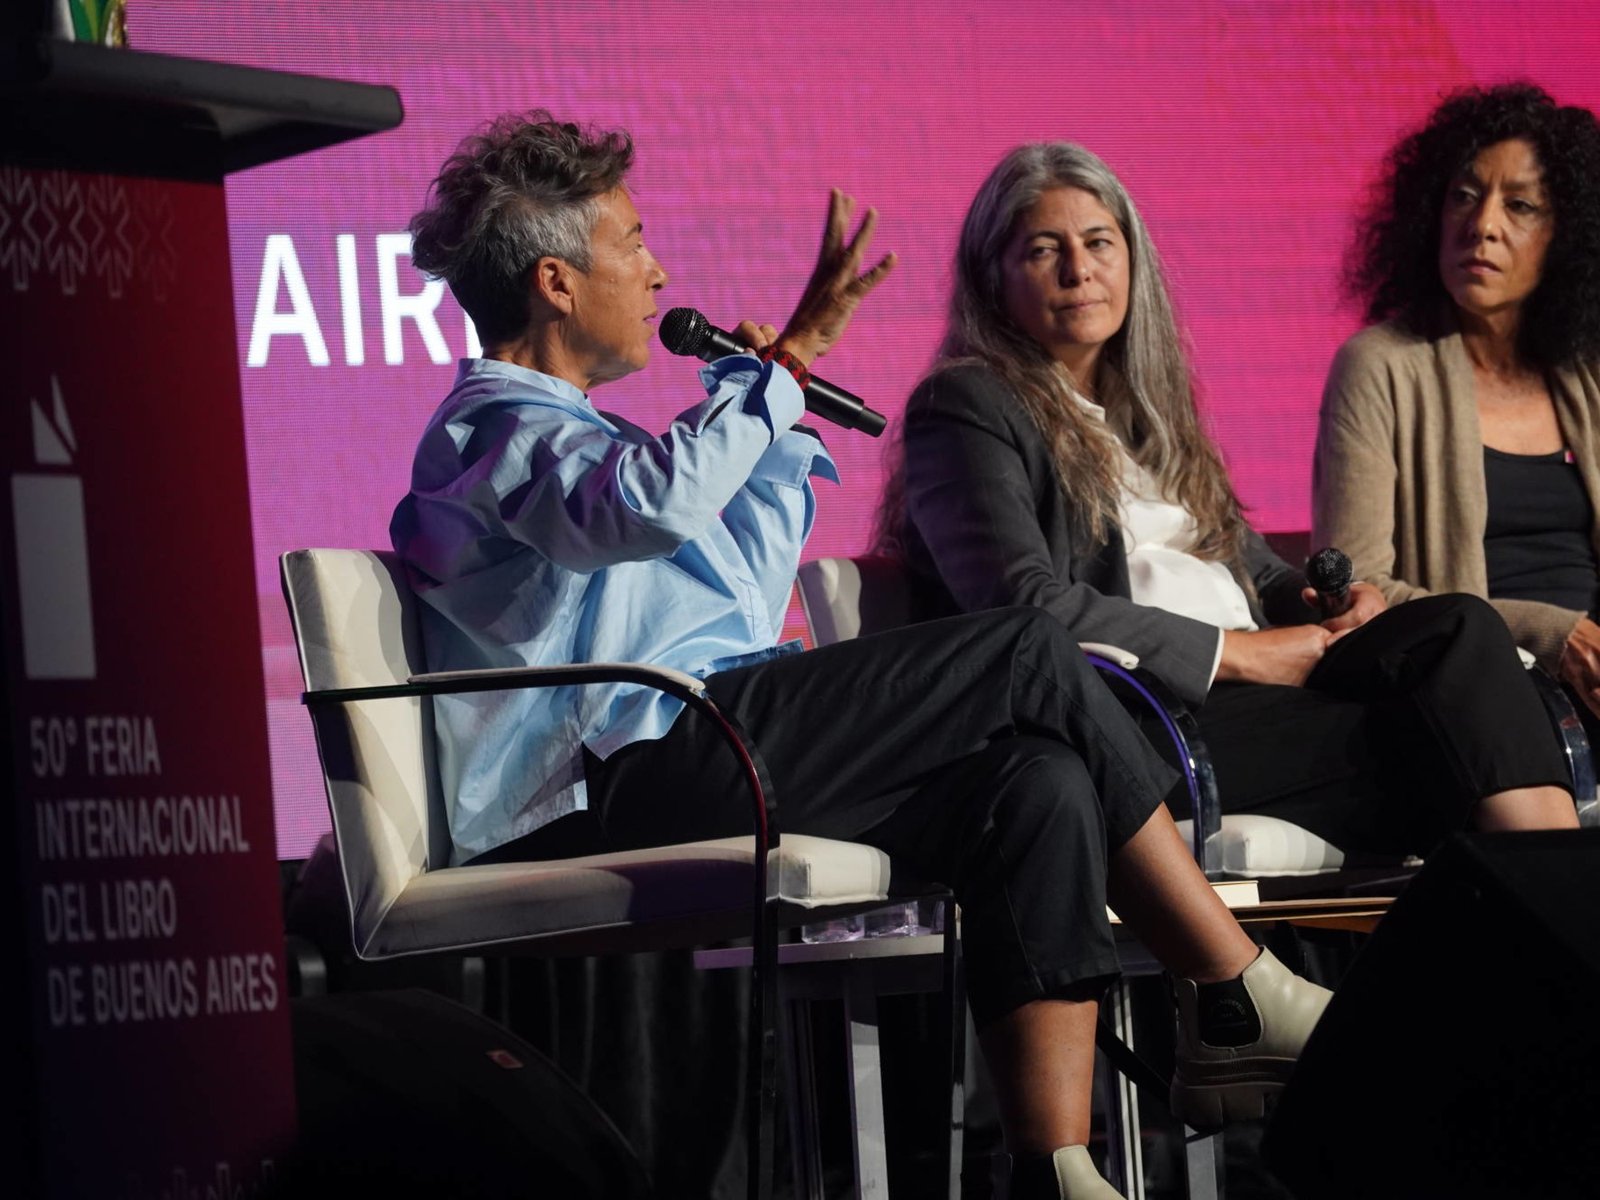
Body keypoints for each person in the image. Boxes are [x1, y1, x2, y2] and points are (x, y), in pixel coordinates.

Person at [389, 112, 1329, 1200]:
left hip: (691, 740)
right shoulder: (491, 431)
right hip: (602, 787)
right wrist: (777, 372)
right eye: (634, 242)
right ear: (556, 282)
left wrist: (776, 422)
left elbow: (735, 591)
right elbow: (642, 516)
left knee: (1035, 782)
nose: (655, 271)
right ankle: (1228, 981)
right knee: (1023, 644)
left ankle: (1053, 1166)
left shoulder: (590, 438)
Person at [875, 140, 1579, 869]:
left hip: (1267, 690)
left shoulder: (1148, 415)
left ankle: (1552, 908)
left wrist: (1326, 605)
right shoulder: (967, 404)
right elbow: (1024, 606)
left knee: (1454, 628)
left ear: (1132, 260)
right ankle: (1560, 916)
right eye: (1043, 250)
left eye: (1098, 244)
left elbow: (1256, 570)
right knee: (1439, 738)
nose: (1078, 271)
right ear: (993, 278)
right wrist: (1234, 655)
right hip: (1138, 717)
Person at [1314, 82, 1600, 742]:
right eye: (1464, 196)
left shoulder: (1586, 373)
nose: (1484, 224)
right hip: (1474, 685)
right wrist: (1555, 634)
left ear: (1567, 235)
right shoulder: (1380, 365)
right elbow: (1361, 590)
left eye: (1520, 205)